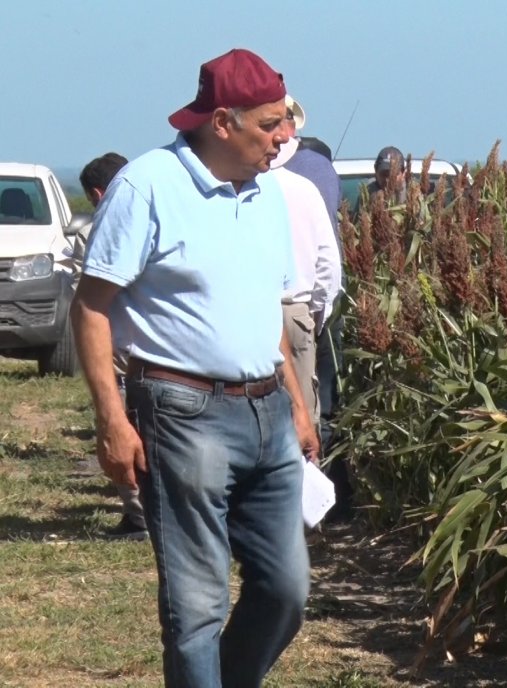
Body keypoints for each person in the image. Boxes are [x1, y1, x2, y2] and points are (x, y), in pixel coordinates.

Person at [71, 48, 317, 687]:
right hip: (184, 413)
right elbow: (91, 309)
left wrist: (294, 400)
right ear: (223, 123)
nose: (284, 136)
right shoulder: (148, 186)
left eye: (286, 121)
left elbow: (267, 309)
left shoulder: (266, 193)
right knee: (197, 607)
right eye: (271, 124)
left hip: (267, 411)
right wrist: (112, 421)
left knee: (287, 590)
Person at [76, 152, 148, 541]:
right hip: (157, 355)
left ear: (99, 193)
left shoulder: (113, 226)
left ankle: (140, 516)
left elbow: (91, 302)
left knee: (124, 426)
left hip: (124, 349)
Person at [270, 95, 342, 431]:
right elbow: (328, 263)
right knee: (303, 420)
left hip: (249, 310)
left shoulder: (233, 177)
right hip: (297, 308)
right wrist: (318, 313)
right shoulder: (313, 175)